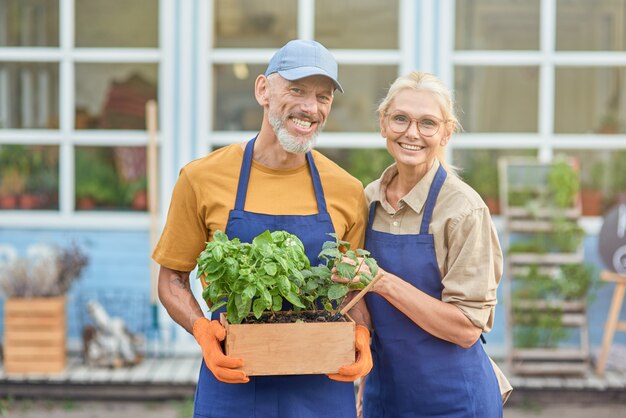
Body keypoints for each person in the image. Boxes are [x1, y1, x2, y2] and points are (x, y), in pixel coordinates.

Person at [152, 39, 372, 418]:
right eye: (297, 90)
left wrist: (363, 335)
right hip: (234, 380)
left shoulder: (347, 190)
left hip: (320, 384)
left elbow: (353, 290)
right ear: (263, 90)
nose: (310, 107)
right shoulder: (202, 178)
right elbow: (171, 278)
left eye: (323, 96)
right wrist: (201, 329)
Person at [339, 71, 512, 417]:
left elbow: (465, 327)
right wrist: (362, 378)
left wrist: (382, 281)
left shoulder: (463, 211)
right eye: (400, 119)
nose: (412, 133)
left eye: (427, 123)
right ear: (383, 123)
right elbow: (357, 300)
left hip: (454, 399)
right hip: (384, 395)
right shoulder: (366, 200)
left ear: (446, 132)